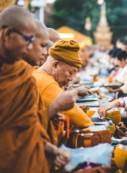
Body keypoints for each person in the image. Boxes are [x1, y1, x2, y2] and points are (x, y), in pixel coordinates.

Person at [0, 6, 69, 173]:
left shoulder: (22, 73)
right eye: (28, 40)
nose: (30, 48)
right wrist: (54, 108)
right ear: (8, 35)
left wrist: (47, 147)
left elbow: (28, 125)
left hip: (30, 162)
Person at [33, 39, 93, 145]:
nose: (71, 79)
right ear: (54, 65)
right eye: (70, 72)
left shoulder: (40, 75)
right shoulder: (46, 83)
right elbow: (81, 120)